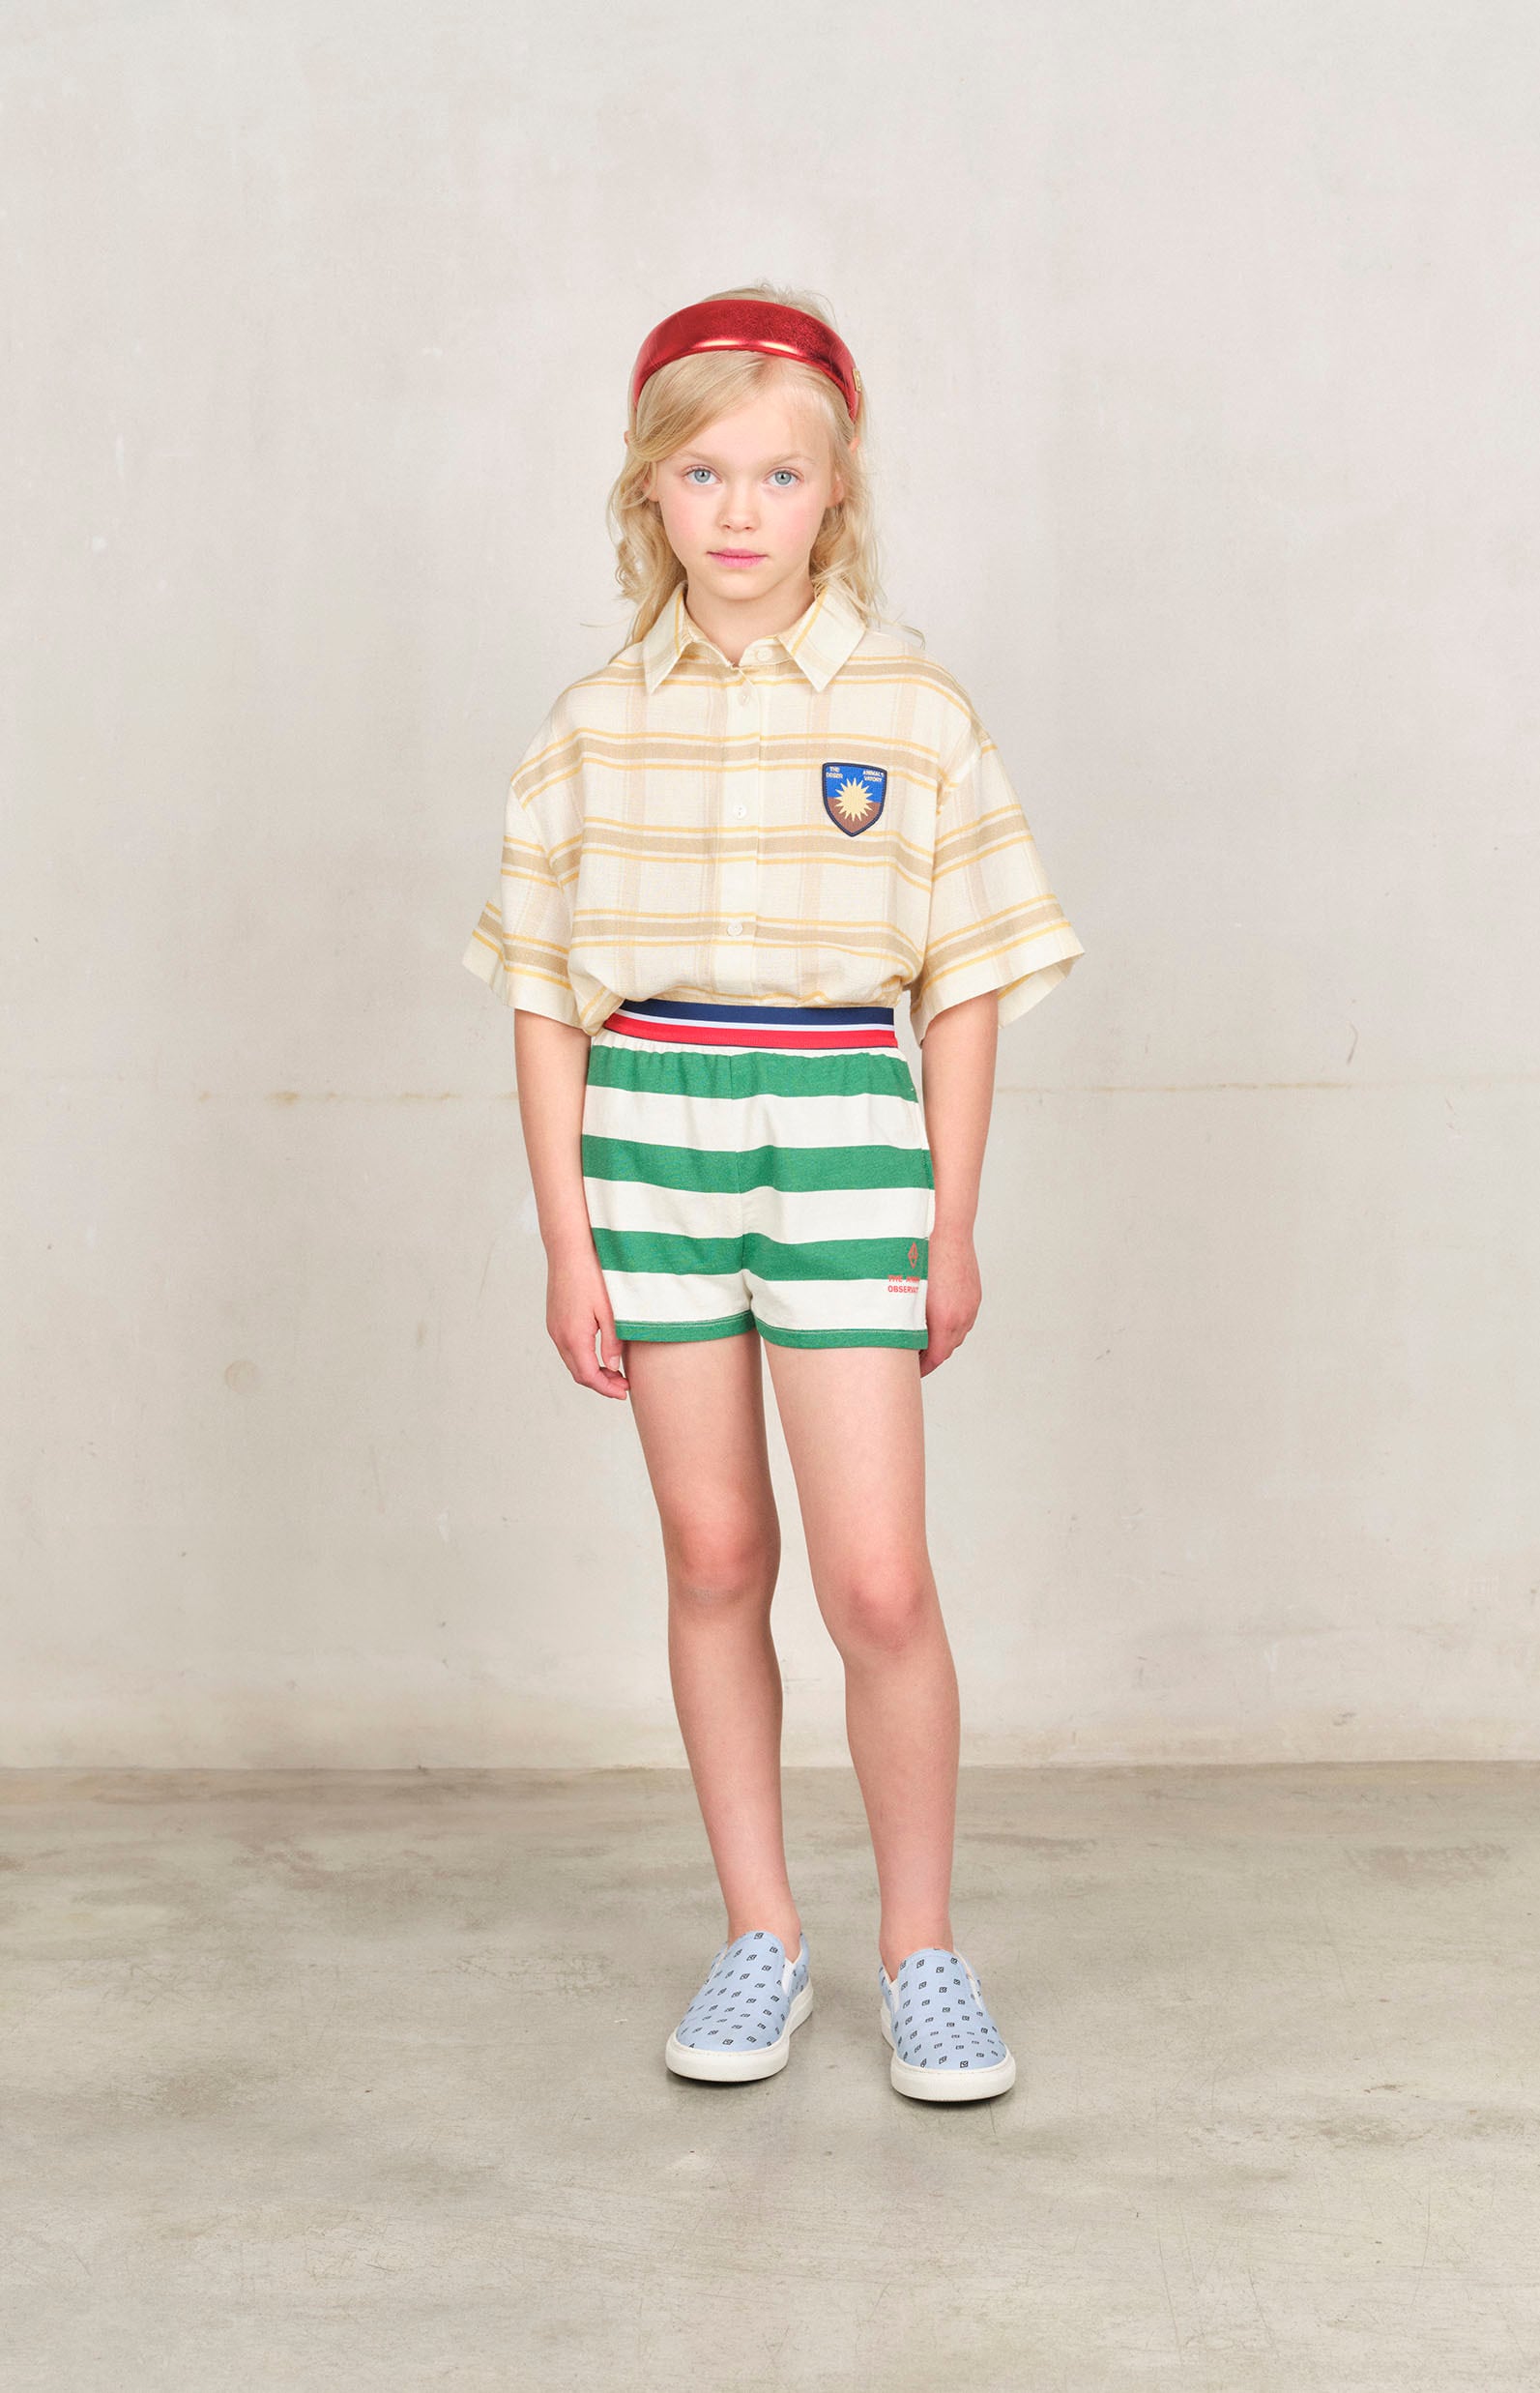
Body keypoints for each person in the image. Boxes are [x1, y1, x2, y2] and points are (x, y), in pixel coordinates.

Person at [462, 282, 1084, 2102]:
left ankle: (923, 1954)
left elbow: (965, 982)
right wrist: (569, 1241)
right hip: (648, 1137)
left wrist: (948, 1221)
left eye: (780, 475)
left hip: (841, 1135)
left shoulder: (913, 709)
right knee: (716, 1554)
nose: (740, 511)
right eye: (702, 473)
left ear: (837, 494)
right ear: (647, 491)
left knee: (876, 1582)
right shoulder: (589, 726)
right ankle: (761, 1935)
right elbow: (543, 1000)